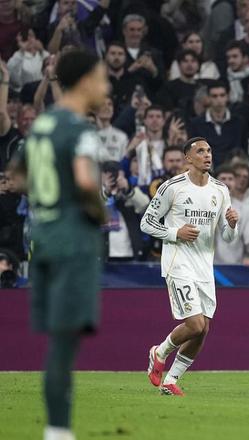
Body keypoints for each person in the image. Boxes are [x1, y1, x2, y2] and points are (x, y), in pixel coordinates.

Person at [8, 49, 109, 440]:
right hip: (72, 240)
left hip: (42, 237)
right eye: (100, 79)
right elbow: (85, 181)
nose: (104, 87)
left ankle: (57, 430)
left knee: (59, 340)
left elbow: (18, 176)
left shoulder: (42, 125)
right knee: (65, 343)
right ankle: (58, 431)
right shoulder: (80, 130)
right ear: (84, 81)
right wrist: (98, 212)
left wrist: (48, 198)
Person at [141, 136, 239, 396]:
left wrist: (232, 224)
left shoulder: (220, 190)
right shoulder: (172, 187)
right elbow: (146, 223)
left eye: (209, 151)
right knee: (194, 324)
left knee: (203, 329)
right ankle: (159, 352)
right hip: (178, 262)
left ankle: (171, 380)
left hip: (204, 266)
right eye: (200, 151)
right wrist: (176, 233)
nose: (207, 155)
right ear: (188, 158)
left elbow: (227, 237)